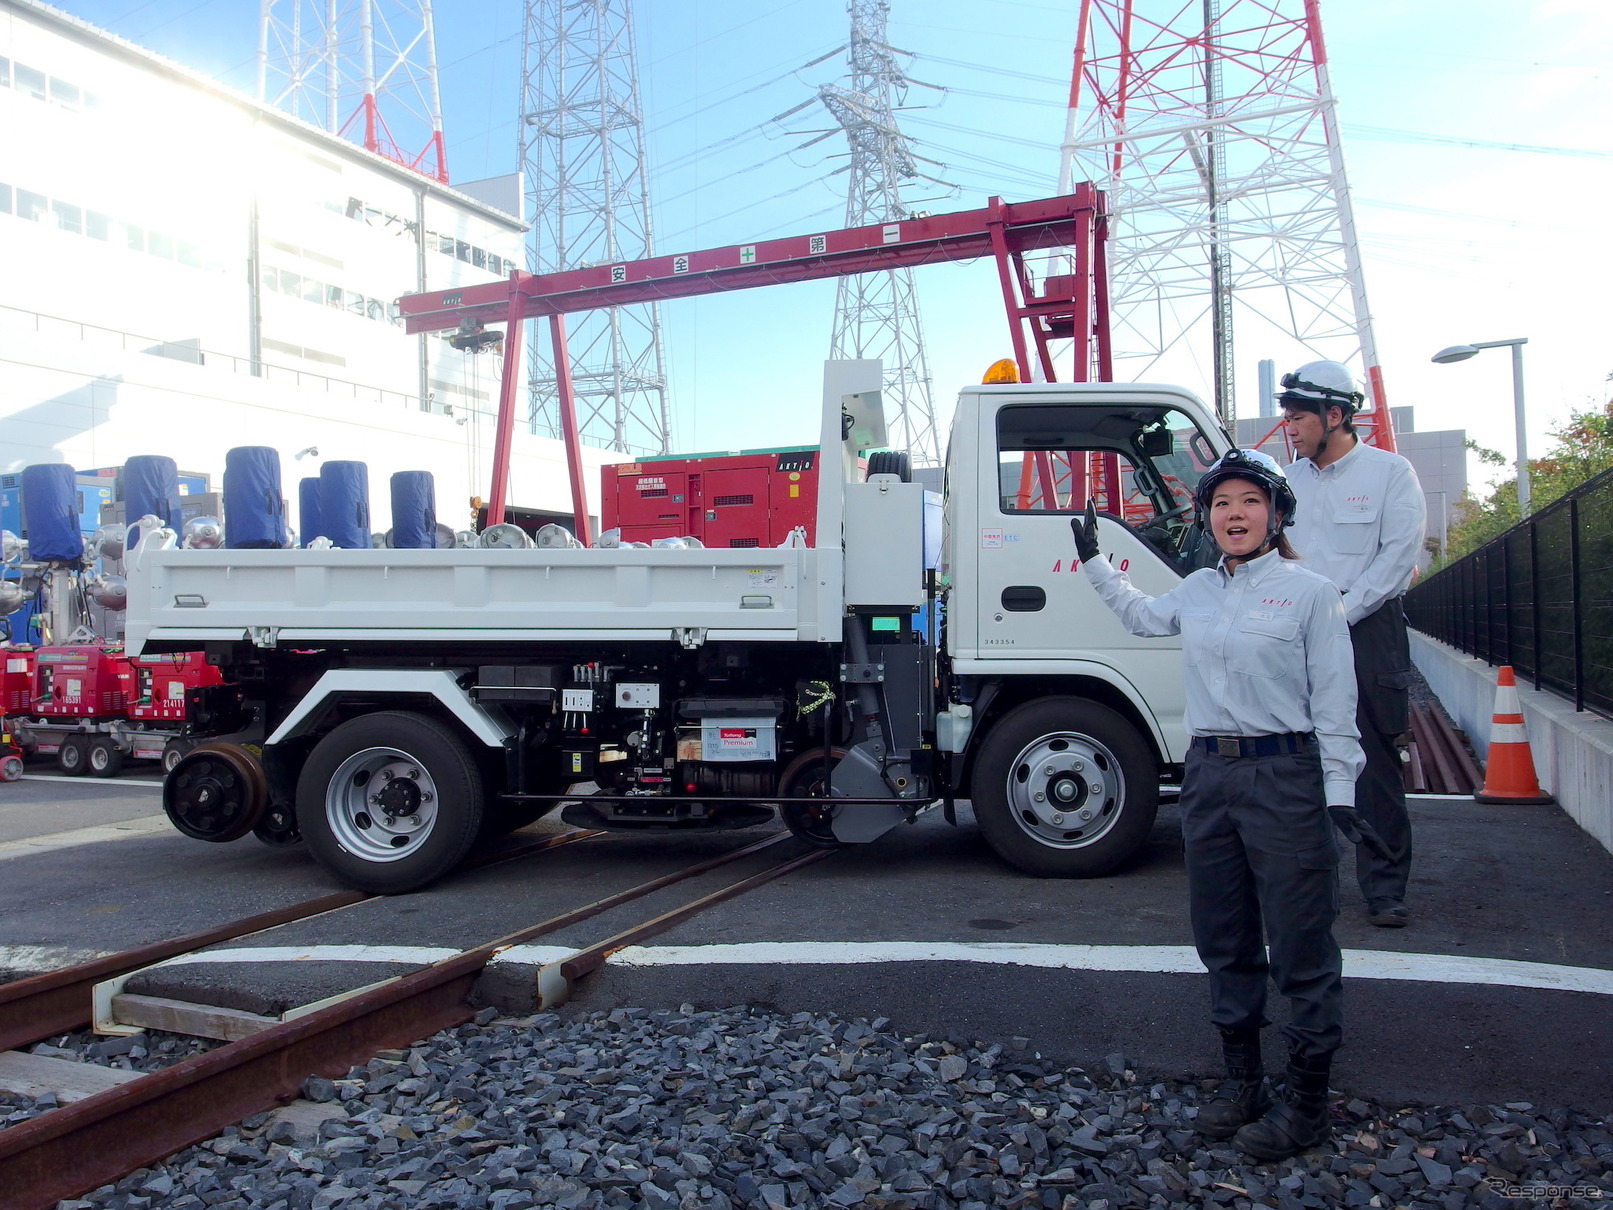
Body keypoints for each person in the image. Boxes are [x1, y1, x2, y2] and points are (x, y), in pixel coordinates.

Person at [1070, 448, 1366, 1161]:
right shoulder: (1198, 587)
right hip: (1207, 775)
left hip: (1285, 773)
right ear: (1206, 517)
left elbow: (1334, 703)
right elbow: (1142, 618)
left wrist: (1338, 795)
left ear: (1275, 514)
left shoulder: (1309, 593)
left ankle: (1306, 1103)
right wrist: (1093, 562)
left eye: (1249, 501)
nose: (1234, 514)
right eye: (1222, 503)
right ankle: (1243, 1084)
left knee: (1299, 941)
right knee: (1223, 934)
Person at [1278, 361, 1427, 928]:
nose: (1289, 427)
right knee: (1291, 756)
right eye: (1288, 417)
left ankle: (1385, 887)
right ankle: (1303, 886)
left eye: (1298, 418)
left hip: (1366, 631)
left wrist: (1337, 614)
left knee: (1372, 764)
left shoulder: (1391, 473)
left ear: (1335, 415)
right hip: (1292, 629)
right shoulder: (1286, 483)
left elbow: (1395, 561)